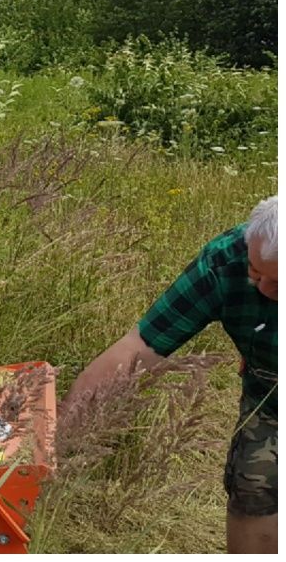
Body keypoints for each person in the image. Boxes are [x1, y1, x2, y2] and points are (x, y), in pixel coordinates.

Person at [62, 195, 277, 553]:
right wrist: (63, 433)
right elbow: (138, 348)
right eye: (256, 274)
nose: (264, 290)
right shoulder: (225, 263)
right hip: (268, 398)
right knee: (253, 486)